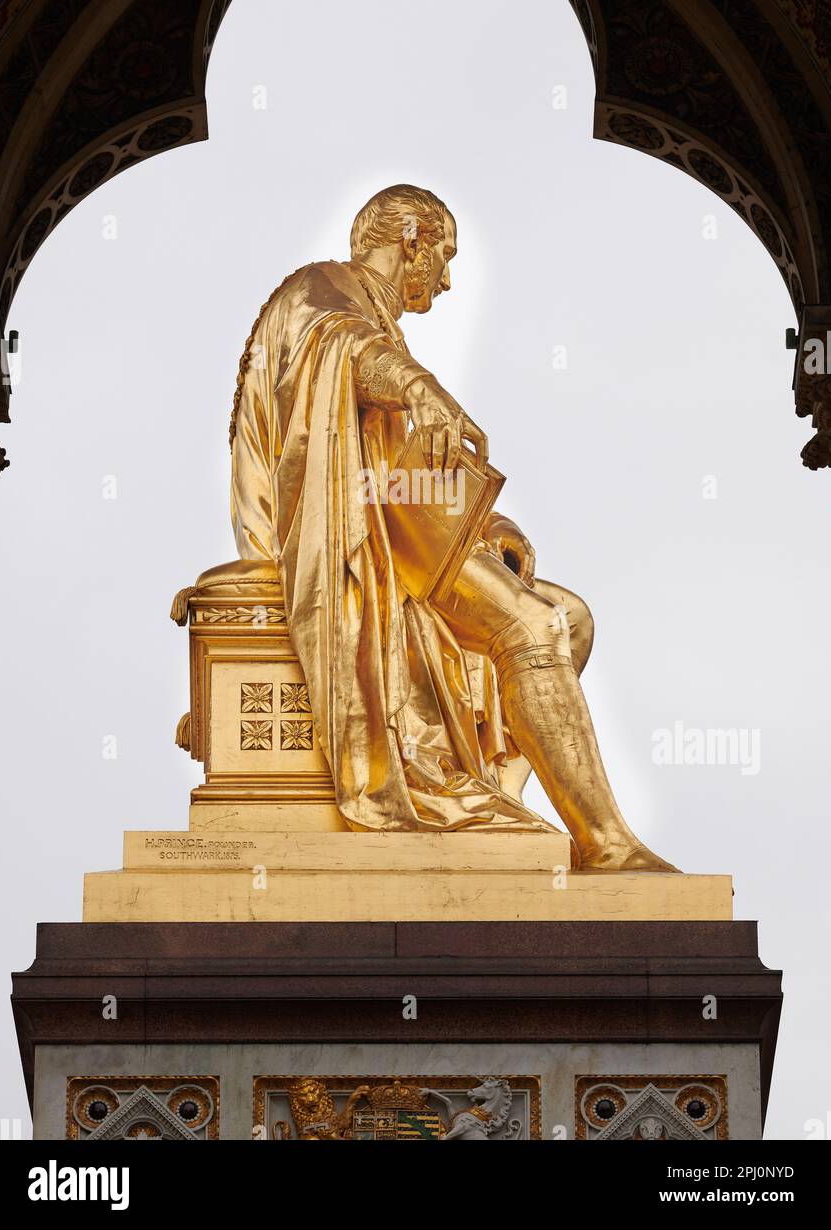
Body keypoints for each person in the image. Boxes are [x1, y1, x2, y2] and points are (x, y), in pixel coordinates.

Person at [230, 184, 676, 870]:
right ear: (410, 236)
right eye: (443, 256)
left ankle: (504, 805)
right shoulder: (322, 291)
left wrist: (484, 524)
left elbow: (395, 472)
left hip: (386, 542)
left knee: (572, 617)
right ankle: (607, 847)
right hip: (341, 553)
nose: (446, 278)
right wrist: (415, 384)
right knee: (535, 625)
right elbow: (341, 352)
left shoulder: (374, 321)